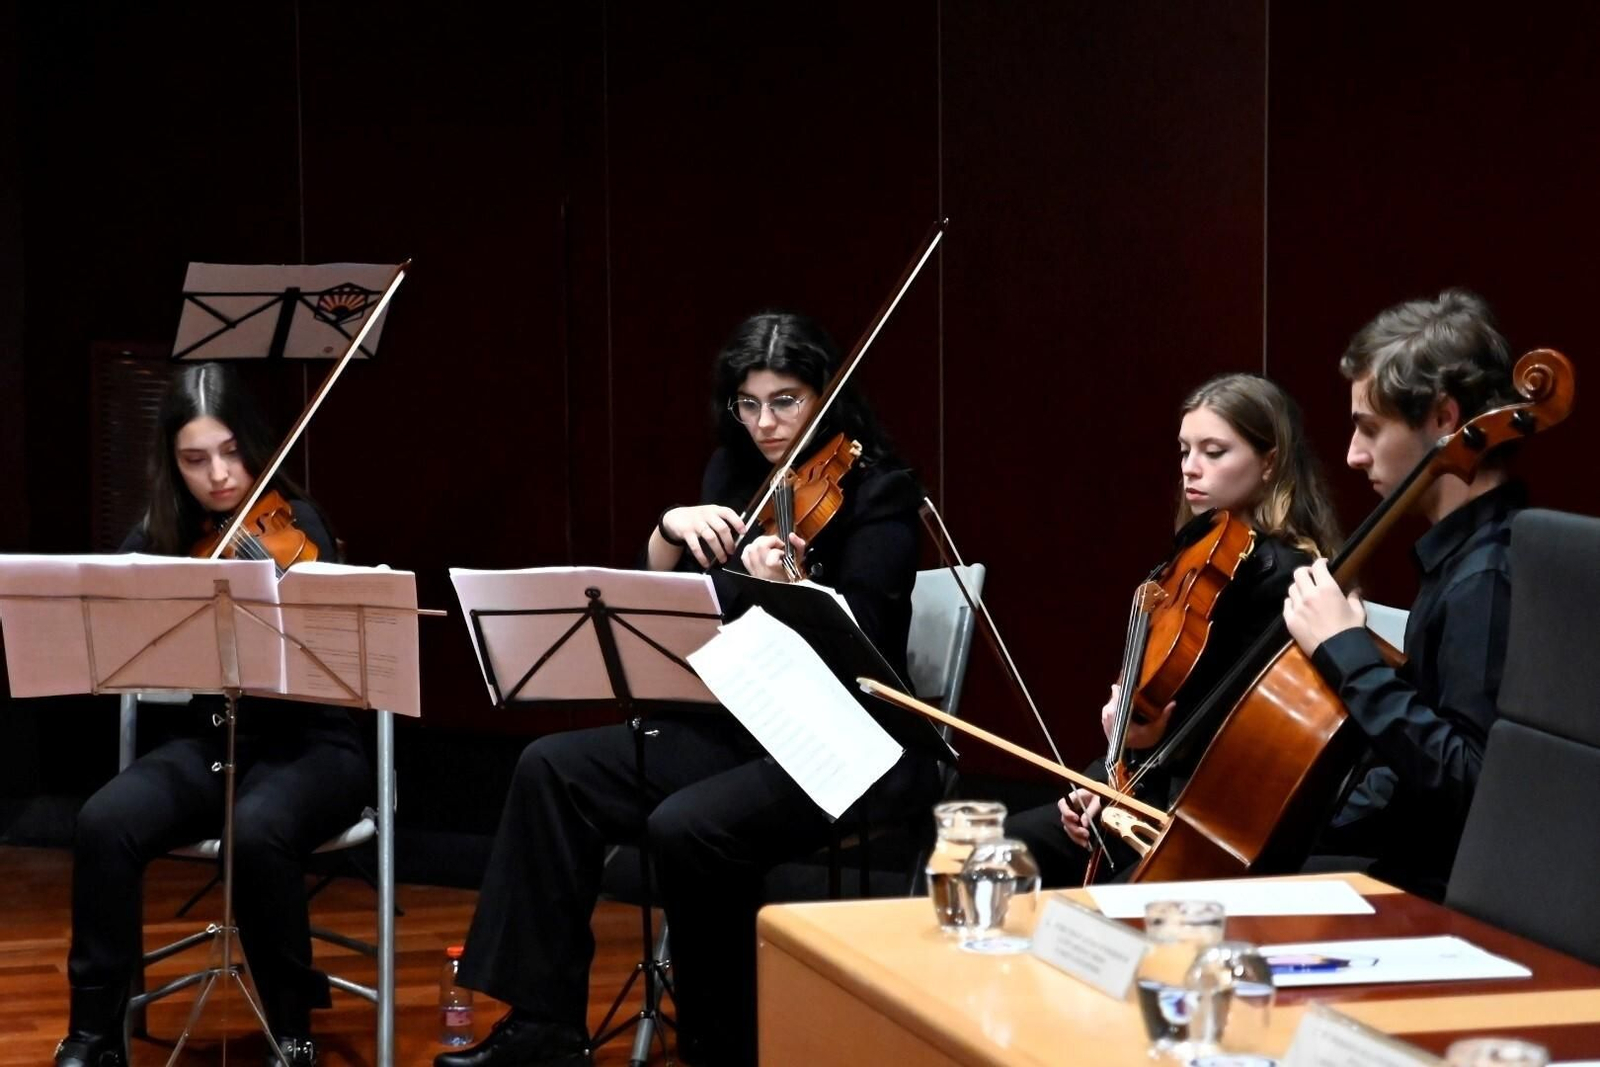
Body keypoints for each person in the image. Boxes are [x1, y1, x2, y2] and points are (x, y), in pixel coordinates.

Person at [438, 311, 942, 1067]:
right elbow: (679, 600)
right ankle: (542, 1026)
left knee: (687, 826)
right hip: (743, 721)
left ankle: (724, 1042)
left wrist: (793, 587)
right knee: (552, 767)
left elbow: (866, 638)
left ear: (825, 394)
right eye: (749, 403)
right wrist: (669, 529)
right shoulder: (734, 476)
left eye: (786, 400)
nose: (765, 423)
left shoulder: (882, 494)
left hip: (844, 739)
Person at [56, 363, 370, 1067]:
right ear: (171, 463)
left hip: (314, 744)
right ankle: (94, 1034)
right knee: (104, 819)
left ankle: (291, 1028)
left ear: (254, 445)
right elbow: (109, 610)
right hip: (217, 739)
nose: (220, 476)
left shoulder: (299, 520)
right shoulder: (164, 534)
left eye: (230, 452)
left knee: (256, 830)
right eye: (195, 460)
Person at [1007, 373, 1341, 886]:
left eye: (1214, 451)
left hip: (1200, 818)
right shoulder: (1199, 560)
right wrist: (1101, 781)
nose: (1191, 468)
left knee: (1100, 911)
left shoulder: (1286, 580)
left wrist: (1147, 744)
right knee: (986, 850)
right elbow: (1154, 719)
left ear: (1270, 461)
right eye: (1185, 451)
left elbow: (1246, 737)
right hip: (1142, 791)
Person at [1285, 288, 1524, 900]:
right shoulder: (1458, 559)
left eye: (1369, 428)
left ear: (1444, 420)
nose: (1352, 454)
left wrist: (1346, 651)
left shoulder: (1488, 576)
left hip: (1445, 897)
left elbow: (1472, 784)